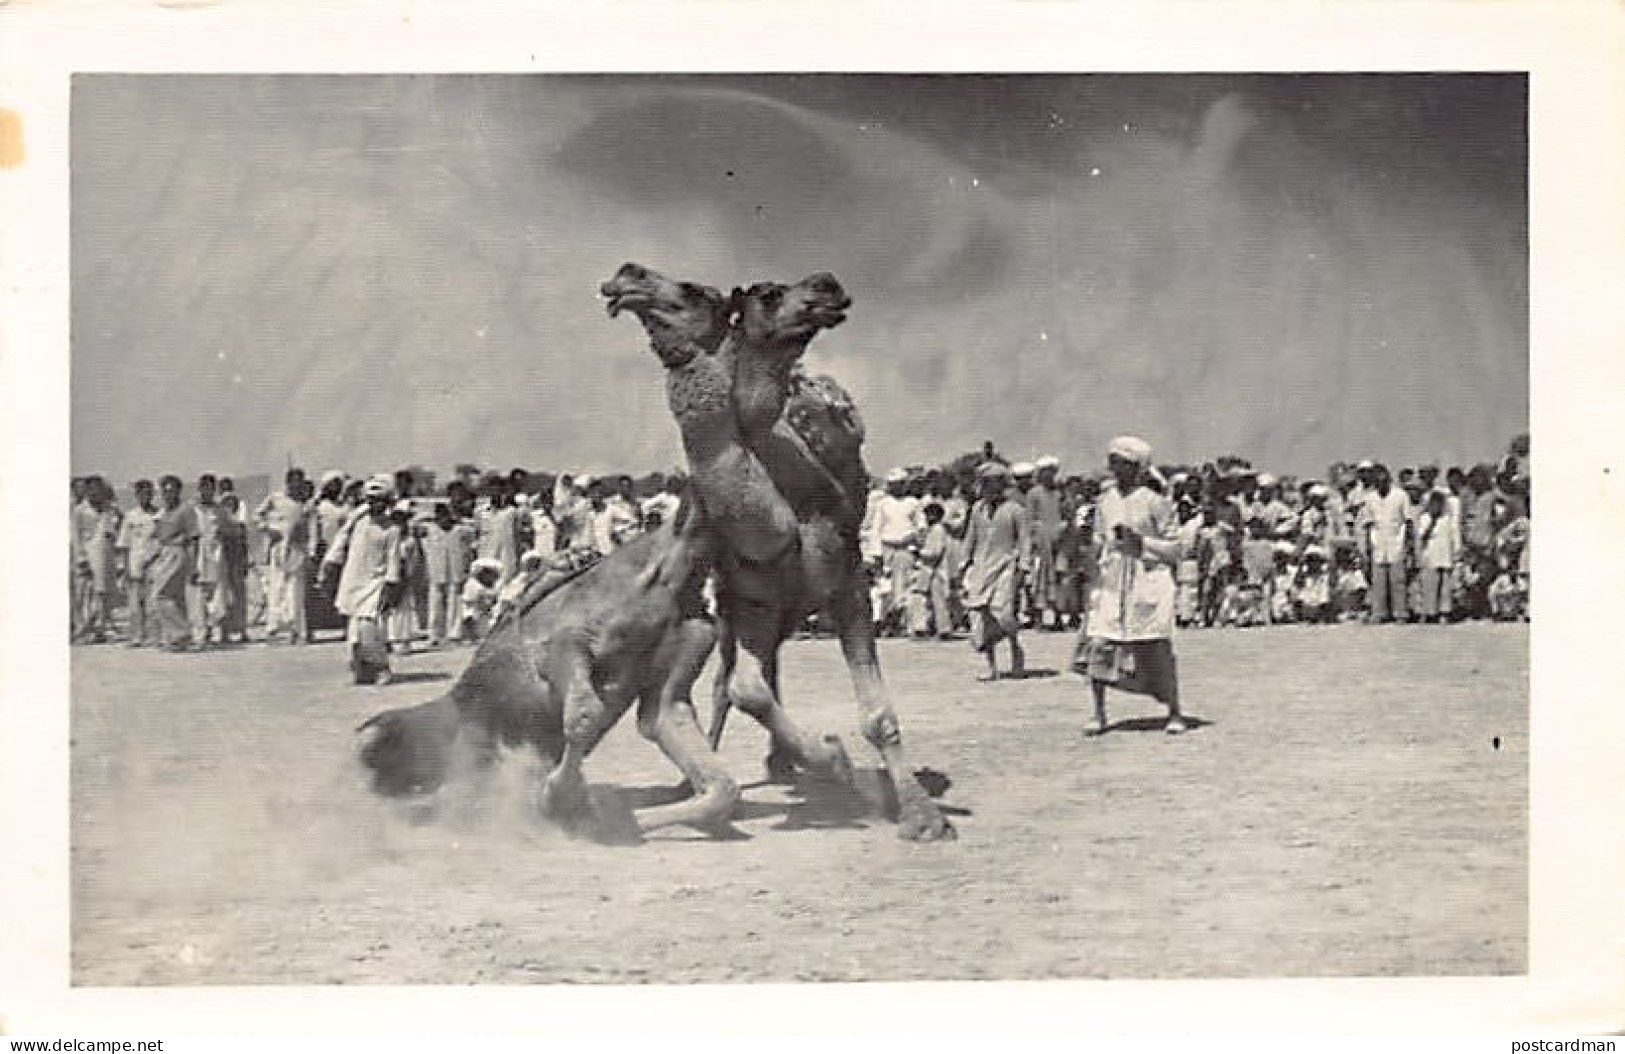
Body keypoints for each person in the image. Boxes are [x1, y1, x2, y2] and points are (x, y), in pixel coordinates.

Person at [1078, 436, 1187, 736]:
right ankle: (1098, 713)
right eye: (1112, 462)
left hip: (1147, 580)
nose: (1115, 468)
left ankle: (1174, 710)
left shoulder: (1155, 502)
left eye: (1122, 463)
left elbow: (1176, 548)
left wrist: (1143, 544)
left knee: (1156, 645)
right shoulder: (1104, 501)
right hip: (1112, 580)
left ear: (1137, 468)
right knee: (1099, 644)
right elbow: (1099, 540)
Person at [321, 476, 404, 685]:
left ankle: (382, 667)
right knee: (354, 634)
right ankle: (361, 670)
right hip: (353, 580)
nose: (374, 504)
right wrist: (329, 564)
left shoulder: (392, 530)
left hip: (376, 583)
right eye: (371, 500)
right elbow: (341, 541)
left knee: (369, 628)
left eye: (379, 500)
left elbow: (393, 560)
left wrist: (391, 585)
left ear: (387, 502)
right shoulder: (357, 521)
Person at [959, 461, 1030, 680]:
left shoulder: (1015, 510)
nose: (990, 488)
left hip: (1006, 567)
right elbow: (970, 539)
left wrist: (1023, 566)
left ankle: (1015, 650)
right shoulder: (977, 510)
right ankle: (992, 666)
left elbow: (1025, 540)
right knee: (982, 617)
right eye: (986, 484)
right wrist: (963, 565)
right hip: (981, 568)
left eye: (994, 484)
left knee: (1004, 613)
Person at [256, 469, 313, 644]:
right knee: (276, 589)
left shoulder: (306, 505)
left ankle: (297, 630)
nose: (296, 485)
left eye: (300, 482)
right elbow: (257, 516)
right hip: (279, 549)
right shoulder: (276, 499)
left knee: (295, 591)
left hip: (297, 549)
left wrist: (310, 551)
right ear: (287, 483)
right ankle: (273, 630)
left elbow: (312, 530)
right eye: (293, 482)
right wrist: (268, 529)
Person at [146, 475, 198, 651]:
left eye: (171, 490)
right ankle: (178, 641)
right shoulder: (164, 512)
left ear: (178, 491)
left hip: (178, 552)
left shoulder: (186, 510)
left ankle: (181, 633)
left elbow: (193, 539)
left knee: (160, 596)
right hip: (164, 553)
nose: (168, 494)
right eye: (164, 491)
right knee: (175, 597)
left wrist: (193, 565)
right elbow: (157, 535)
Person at [71, 476, 121, 643]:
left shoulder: (108, 509)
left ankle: (102, 627)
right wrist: (81, 557)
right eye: (91, 489)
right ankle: (85, 629)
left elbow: (115, 528)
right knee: (87, 593)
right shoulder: (80, 510)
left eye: (97, 489)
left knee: (105, 592)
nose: (95, 492)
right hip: (88, 552)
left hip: (106, 553)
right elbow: (76, 535)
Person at [1361, 464, 1412, 624]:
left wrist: (1409, 545)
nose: (1380, 484)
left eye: (1383, 481)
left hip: (1397, 542)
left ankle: (1400, 613)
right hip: (1378, 544)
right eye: (1377, 482)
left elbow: (1408, 521)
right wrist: (1368, 547)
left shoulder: (1401, 496)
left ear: (1389, 480)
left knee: (1398, 581)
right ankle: (1379, 613)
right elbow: (1368, 523)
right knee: (1378, 582)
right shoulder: (1370, 498)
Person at [116, 479, 160, 647]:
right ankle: (136, 636)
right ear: (136, 495)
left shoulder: (158, 515)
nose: (145, 497)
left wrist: (154, 559)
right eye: (141, 493)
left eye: (148, 493)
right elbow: (124, 544)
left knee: (152, 602)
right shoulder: (130, 516)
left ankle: (153, 636)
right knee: (134, 603)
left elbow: (161, 540)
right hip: (134, 562)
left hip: (153, 561)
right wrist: (126, 567)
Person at [1414, 486, 1460, 623]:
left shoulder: (1447, 518)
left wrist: (1456, 552)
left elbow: (1454, 536)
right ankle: (1429, 612)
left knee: (1445, 586)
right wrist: (1432, 522)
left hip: (1445, 555)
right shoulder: (1424, 518)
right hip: (1430, 556)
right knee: (1430, 585)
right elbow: (1422, 536)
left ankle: (1444, 612)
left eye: (1439, 503)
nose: (1436, 506)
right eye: (1433, 503)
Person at [909, 502, 953, 639]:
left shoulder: (938, 530)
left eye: (931, 514)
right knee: (924, 600)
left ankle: (943, 629)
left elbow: (935, 552)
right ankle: (923, 627)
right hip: (929, 569)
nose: (928, 517)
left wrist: (919, 553)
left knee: (937, 600)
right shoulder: (931, 530)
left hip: (936, 569)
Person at [188, 474, 223, 647]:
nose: (207, 492)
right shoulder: (192, 510)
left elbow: (230, 528)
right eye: (204, 488)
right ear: (199, 489)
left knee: (215, 596)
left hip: (216, 555)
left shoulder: (219, 510)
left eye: (211, 488)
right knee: (198, 596)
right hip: (198, 554)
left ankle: (211, 630)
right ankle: (200, 634)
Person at [213, 493, 252, 643]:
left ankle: (242, 630)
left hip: (237, 562)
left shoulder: (240, 524)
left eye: (232, 503)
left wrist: (245, 561)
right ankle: (225, 631)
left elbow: (244, 545)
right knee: (224, 597)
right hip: (223, 563)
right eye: (226, 503)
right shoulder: (219, 523)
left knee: (240, 597)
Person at [460, 557, 503, 642]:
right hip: (477, 612)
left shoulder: (495, 586)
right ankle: (473, 636)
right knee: (470, 615)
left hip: (488, 612)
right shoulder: (472, 585)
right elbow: (469, 603)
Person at [1294, 545, 1334, 623]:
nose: (1313, 563)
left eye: (1316, 560)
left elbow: (1332, 584)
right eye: (1310, 560)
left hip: (1321, 610)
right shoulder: (1304, 576)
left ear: (1321, 562)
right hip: (1305, 611)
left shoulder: (1325, 576)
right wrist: (1301, 565)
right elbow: (1297, 584)